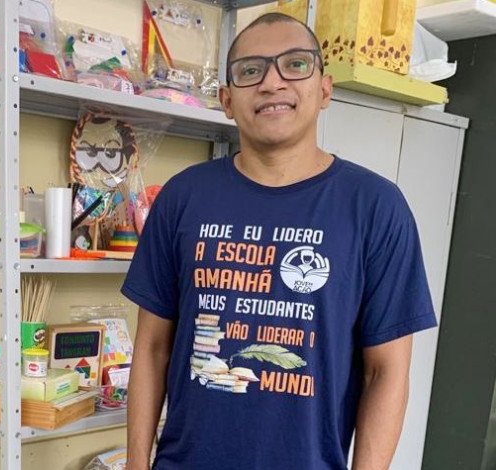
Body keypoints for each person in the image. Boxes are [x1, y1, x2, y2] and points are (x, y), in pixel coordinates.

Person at [121, 12, 438, 470]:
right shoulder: (183, 197)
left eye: (295, 64)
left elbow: (385, 371)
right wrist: (136, 463)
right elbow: (152, 349)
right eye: (251, 70)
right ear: (227, 100)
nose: (272, 83)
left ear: (324, 90)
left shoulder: (376, 208)